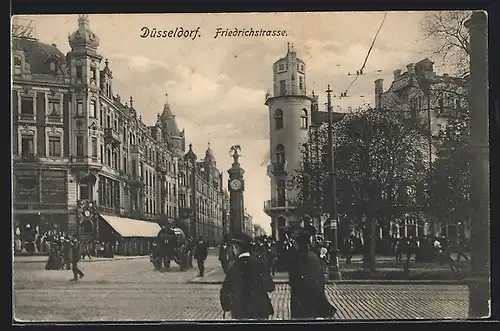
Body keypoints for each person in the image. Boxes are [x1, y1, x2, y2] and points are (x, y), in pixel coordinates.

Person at [287, 224, 337, 319]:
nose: (294, 244)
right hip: (309, 297)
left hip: (302, 299)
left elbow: (293, 279)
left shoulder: (301, 258)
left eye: (295, 242)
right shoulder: (312, 256)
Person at [220, 233, 275, 320]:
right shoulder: (261, 263)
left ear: (236, 248)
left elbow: (225, 290)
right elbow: (270, 287)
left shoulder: (233, 266)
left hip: (240, 310)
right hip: (260, 309)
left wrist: (226, 307)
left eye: (234, 247)